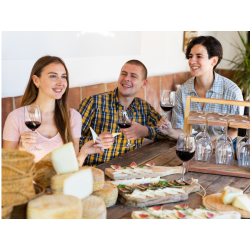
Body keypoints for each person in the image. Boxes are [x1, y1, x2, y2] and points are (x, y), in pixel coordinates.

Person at [3, 56, 104, 164]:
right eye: (53, 76)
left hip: (60, 181)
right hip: (27, 181)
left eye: (63, 77)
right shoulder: (16, 117)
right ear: (36, 81)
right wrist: (20, 150)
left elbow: (72, 166)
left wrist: (83, 152)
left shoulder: (73, 117)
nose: (61, 83)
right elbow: (6, 166)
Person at [78, 59, 169, 166]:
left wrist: (145, 131)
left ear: (144, 83)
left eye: (133, 76)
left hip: (127, 173)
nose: (126, 79)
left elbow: (167, 132)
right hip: (95, 171)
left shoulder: (144, 108)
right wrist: (95, 141)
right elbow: (68, 139)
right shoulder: (94, 103)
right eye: (124, 74)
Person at [157, 36, 244, 147]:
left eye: (198, 56)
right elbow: (181, 131)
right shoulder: (182, 91)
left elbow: (235, 130)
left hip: (224, 150)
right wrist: (170, 131)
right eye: (190, 56)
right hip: (194, 148)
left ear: (214, 60)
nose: (192, 61)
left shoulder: (231, 92)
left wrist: (211, 146)